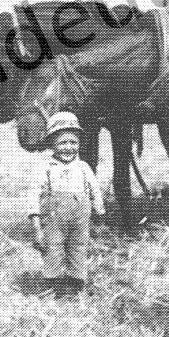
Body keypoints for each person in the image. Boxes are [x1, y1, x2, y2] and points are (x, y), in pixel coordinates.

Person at [27, 111, 103, 293]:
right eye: (62, 142)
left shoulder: (83, 168)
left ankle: (75, 284)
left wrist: (100, 213)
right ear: (52, 144)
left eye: (73, 142)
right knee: (52, 247)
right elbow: (33, 194)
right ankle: (51, 285)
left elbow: (94, 190)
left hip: (80, 220)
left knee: (78, 247)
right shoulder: (45, 168)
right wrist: (37, 227)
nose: (68, 147)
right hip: (53, 219)